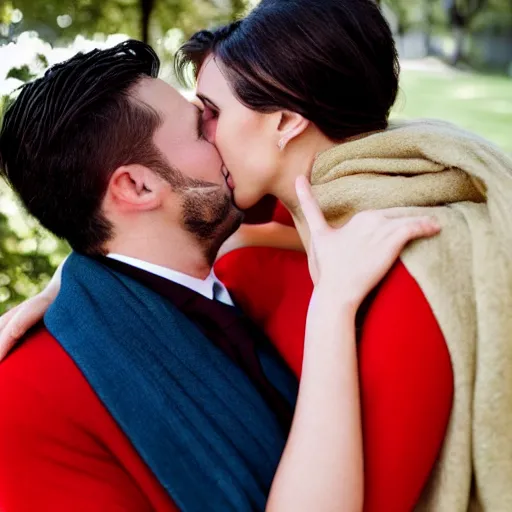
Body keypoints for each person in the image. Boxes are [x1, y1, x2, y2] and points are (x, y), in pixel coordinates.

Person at [0, 40, 441, 511]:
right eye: (198, 127)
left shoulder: (228, 255)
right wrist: (333, 306)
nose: (221, 135)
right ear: (138, 185)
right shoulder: (26, 403)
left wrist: (64, 277)